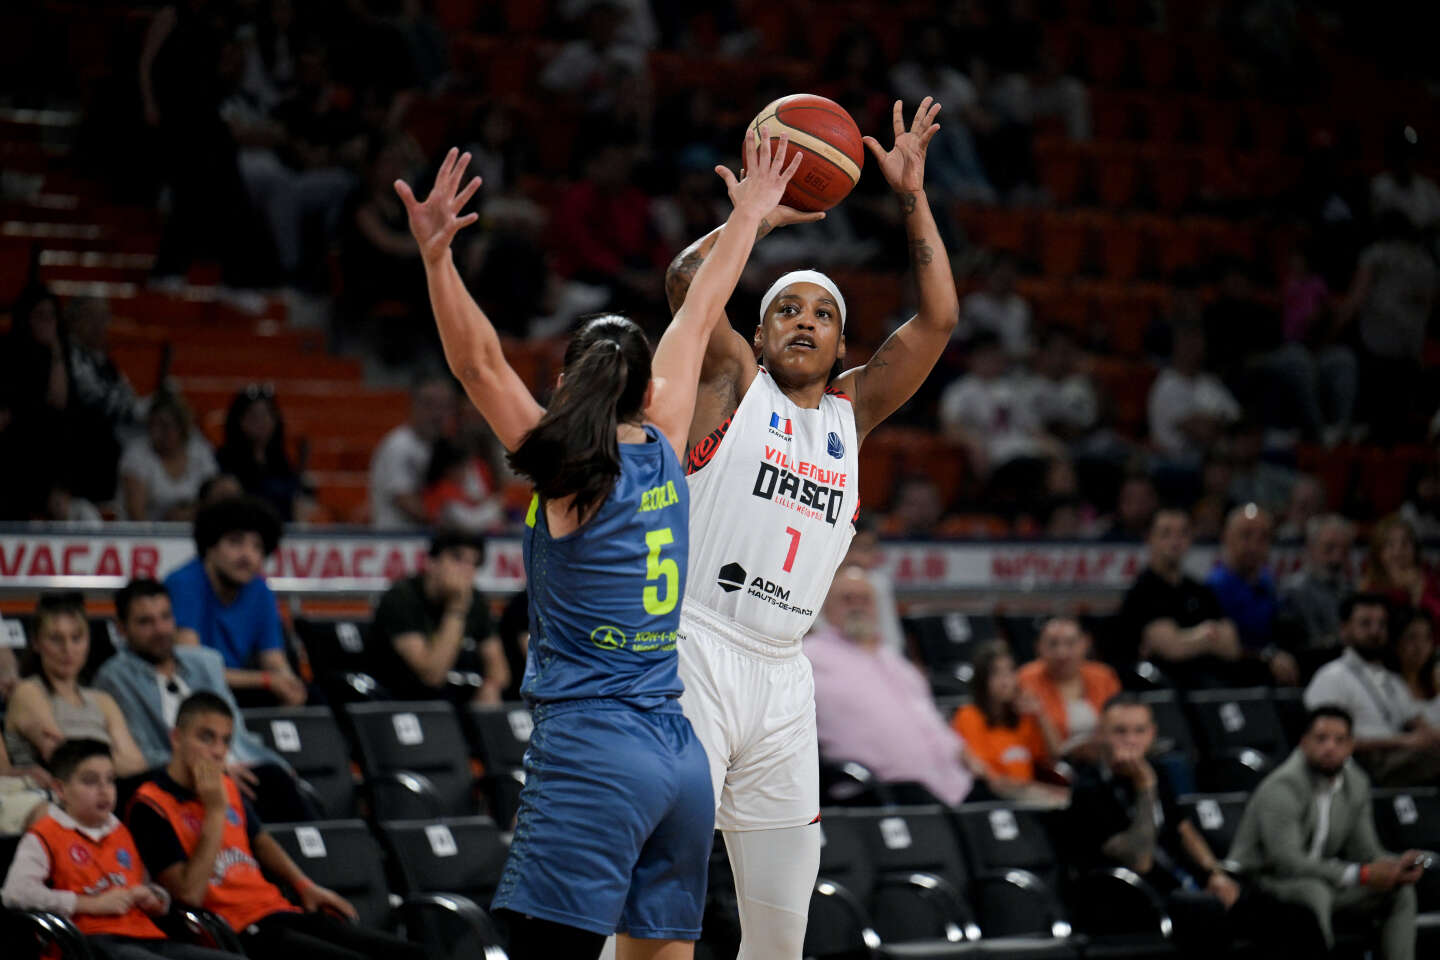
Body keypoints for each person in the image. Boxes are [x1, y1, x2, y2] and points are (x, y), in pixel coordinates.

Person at [395, 130, 800, 959]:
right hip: (680, 758)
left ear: (563, 383)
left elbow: (478, 366)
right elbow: (698, 308)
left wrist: (438, 259)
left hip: (595, 750)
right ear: (645, 385)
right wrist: (749, 217)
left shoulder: (570, 467)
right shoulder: (667, 431)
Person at [663, 96, 959, 959]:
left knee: (781, 927)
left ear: (841, 346)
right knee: (660, 897)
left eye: (822, 314)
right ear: (759, 330)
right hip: (696, 649)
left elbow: (938, 320)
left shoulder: (852, 413)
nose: (803, 321)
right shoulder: (731, 380)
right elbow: (686, 286)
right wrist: (750, 219)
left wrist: (911, 196)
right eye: (786, 309)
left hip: (785, 677)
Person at [127, 694, 422, 960]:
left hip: (275, 909)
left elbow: (260, 840)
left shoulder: (227, 785)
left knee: (413, 954)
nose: (217, 752)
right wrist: (215, 811)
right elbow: (188, 895)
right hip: (235, 930)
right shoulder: (150, 805)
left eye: (225, 741)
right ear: (176, 738)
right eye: (206, 738)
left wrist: (304, 885)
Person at [96, 579, 314, 824]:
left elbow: (238, 734)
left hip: (236, 765)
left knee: (279, 779)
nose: (160, 629)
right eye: (146, 622)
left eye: (165, 617)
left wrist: (273, 763)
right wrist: (208, 768)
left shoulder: (206, 662)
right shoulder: (115, 677)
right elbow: (143, 752)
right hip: (179, 778)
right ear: (122, 629)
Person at [2, 739, 242, 960]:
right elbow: (15, 893)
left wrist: (154, 898)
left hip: (145, 935)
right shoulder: (44, 834)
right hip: (90, 942)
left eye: (110, 780)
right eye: (90, 781)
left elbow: (147, 887)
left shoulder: (120, 831)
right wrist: (88, 904)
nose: (104, 790)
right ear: (60, 790)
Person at [1227, 705, 1422, 960]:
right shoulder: (1283, 786)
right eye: (1321, 739)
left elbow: (1365, 850)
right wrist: (1361, 874)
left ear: (1351, 746)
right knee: (1313, 891)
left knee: (1400, 892)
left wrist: (1394, 867)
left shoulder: (1356, 783)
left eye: (1339, 740)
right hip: (1264, 883)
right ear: (1304, 743)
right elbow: (1287, 862)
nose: (1330, 747)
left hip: (1324, 879)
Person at [805, 567, 978, 806]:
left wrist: (961, 751)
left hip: (952, 784)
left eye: (865, 599)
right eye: (847, 599)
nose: (857, 606)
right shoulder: (809, 657)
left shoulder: (895, 661)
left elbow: (929, 718)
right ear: (825, 606)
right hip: (880, 790)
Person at [164, 496, 306, 707]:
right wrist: (267, 680)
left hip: (238, 692)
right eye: (235, 542)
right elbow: (192, 669)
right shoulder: (184, 583)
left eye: (257, 547)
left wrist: (290, 684)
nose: (247, 555)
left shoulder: (260, 590)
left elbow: (274, 660)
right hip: (189, 695)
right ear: (210, 547)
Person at [4, 593, 147, 778]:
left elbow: (137, 764)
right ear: (37, 643)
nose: (68, 649)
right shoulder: (28, 691)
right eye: (56, 639)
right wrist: (113, 759)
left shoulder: (103, 700)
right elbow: (63, 758)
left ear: (88, 641)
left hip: (104, 797)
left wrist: (92, 760)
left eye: (76, 638)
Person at [1303, 594, 1440, 786]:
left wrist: (1426, 737)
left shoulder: (1390, 679)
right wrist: (1403, 742)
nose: (1375, 631)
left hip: (1402, 757)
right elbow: (1327, 742)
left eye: (1381, 624)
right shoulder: (1331, 676)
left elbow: (1419, 723)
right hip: (1362, 763)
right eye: (1365, 624)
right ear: (1345, 630)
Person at [367, 528, 508, 705]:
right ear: (430, 563)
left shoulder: (476, 600)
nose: (467, 570)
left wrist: (491, 686)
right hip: (403, 699)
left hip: (456, 698)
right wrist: (456, 609)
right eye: (457, 559)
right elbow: (432, 676)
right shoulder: (401, 598)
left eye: (474, 564)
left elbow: (500, 670)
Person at [1114, 508, 1243, 687]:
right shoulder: (1143, 591)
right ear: (1150, 538)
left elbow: (1232, 646)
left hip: (1210, 682)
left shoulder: (1200, 590)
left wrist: (1188, 639)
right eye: (1166, 533)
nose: (1175, 541)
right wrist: (1208, 634)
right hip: (1163, 687)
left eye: (1183, 533)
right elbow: (1173, 649)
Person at [953, 640, 1067, 804]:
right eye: (996, 674)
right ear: (982, 680)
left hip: (1030, 794)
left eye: (1010, 672)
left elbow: (1056, 754)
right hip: (993, 797)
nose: (1005, 681)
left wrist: (1041, 715)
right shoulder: (968, 715)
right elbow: (987, 776)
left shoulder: (1024, 716)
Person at [1205, 504, 1300, 685]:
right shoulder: (1214, 588)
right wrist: (1265, 658)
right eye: (1246, 535)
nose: (1254, 546)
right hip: (1231, 679)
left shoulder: (1269, 582)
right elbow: (1222, 650)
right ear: (1226, 538)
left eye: (1263, 537)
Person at [1017, 618, 1120, 759]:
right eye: (1053, 644)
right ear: (1038, 647)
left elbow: (1120, 723)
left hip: (1103, 758)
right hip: (1048, 762)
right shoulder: (1025, 679)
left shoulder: (1104, 676)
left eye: (1070, 643)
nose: (1062, 653)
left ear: (1085, 644)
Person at [369, 376, 457, 529]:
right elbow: (404, 499)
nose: (437, 413)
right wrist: (453, 522)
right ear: (412, 405)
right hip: (397, 539)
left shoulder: (443, 446)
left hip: (426, 538)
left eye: (444, 406)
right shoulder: (398, 445)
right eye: (429, 404)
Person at [215, 386, 310, 523]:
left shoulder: (281, 461)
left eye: (267, 414)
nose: (261, 422)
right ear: (240, 420)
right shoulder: (223, 460)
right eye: (253, 415)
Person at [119, 393, 219, 523]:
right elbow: (136, 513)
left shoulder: (200, 451)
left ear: (181, 427)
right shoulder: (137, 454)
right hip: (150, 533)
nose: (156, 433)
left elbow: (213, 498)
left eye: (164, 426)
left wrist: (190, 513)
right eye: (152, 425)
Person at [1281, 513, 1355, 674]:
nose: (1337, 558)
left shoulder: (1351, 591)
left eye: (1344, 551)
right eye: (1329, 549)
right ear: (1310, 548)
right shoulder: (1293, 592)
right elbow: (1305, 647)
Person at [1360, 513, 1440, 622]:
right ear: (1378, 552)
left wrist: (1417, 591)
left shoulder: (1429, 578)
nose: (1398, 552)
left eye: (1405, 543)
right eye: (1390, 544)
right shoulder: (1369, 585)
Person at [1395, 609, 1440, 726]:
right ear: (1396, 642)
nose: (1420, 646)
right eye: (1412, 637)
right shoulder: (1387, 684)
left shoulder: (1437, 678)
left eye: (1427, 638)